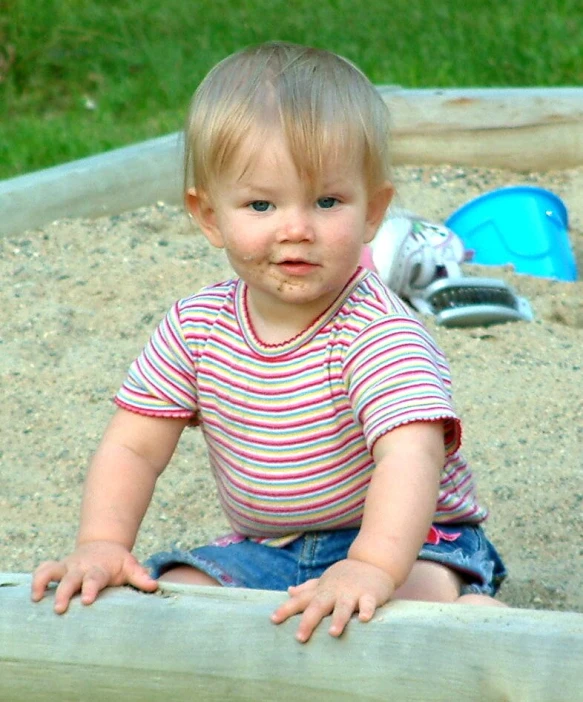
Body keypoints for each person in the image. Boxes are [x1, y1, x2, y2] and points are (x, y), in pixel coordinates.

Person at [31, 41, 507, 643]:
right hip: (272, 548)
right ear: (209, 217)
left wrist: (370, 567)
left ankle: (473, 628)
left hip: (411, 538)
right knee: (173, 590)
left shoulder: (378, 332)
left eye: (327, 201)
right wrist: (102, 544)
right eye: (261, 203)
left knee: (409, 602)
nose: (296, 229)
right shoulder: (196, 326)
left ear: (372, 212)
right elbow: (134, 448)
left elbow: (410, 456)